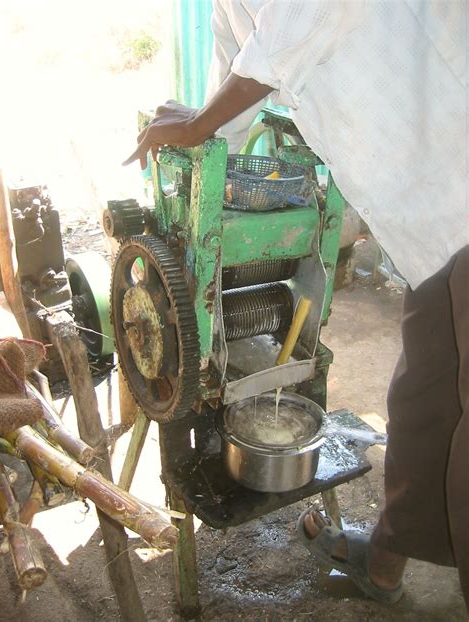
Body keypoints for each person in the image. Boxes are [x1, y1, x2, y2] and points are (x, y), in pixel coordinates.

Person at [124, 0, 468, 608]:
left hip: (453, 157)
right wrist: (200, 135)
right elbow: (239, 68)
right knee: (425, 396)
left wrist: (200, 123)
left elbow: (303, 19)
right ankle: (386, 559)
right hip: (433, 227)